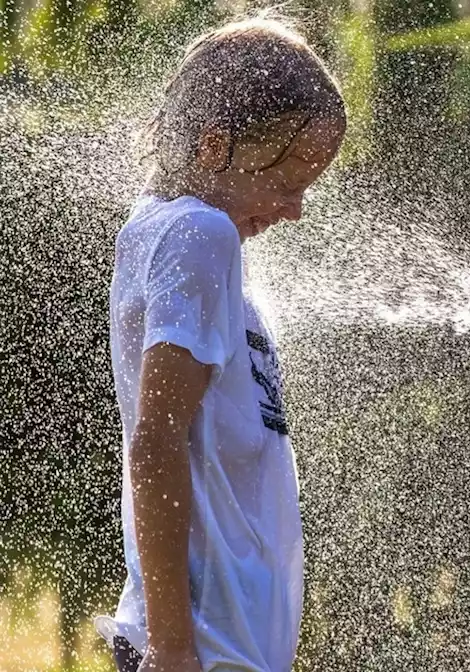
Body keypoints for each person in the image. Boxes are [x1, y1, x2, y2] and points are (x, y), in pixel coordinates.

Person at [94, 12, 346, 672]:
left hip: (224, 647)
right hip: (204, 651)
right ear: (214, 148)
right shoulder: (200, 234)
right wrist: (174, 647)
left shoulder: (178, 235)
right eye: (288, 182)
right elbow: (156, 441)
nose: (296, 209)